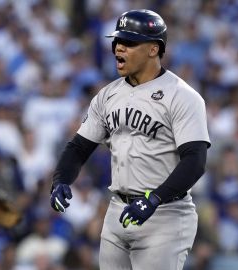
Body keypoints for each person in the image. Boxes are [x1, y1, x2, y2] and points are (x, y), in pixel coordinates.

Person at [50, 9, 210, 270]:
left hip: (165, 214)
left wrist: (154, 199)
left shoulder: (183, 96)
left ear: (153, 49)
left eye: (129, 43)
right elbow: (79, 147)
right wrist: (61, 179)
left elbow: (195, 161)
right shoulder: (107, 95)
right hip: (117, 211)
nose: (119, 48)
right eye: (117, 41)